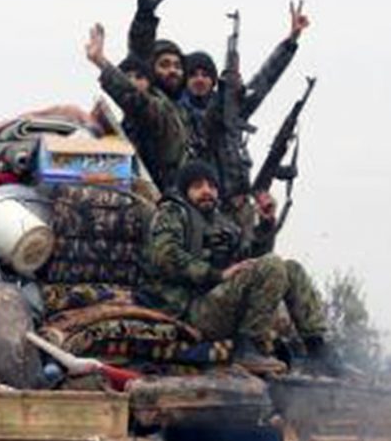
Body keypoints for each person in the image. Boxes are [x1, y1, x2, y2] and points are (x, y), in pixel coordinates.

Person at [141, 159, 330, 372]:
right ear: (185, 191)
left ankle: (318, 349)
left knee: (291, 268)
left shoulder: (222, 223)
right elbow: (166, 256)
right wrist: (217, 275)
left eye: (211, 186)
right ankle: (248, 347)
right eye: (198, 186)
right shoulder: (172, 212)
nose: (207, 191)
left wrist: (265, 225)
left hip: (219, 305)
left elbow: (252, 262)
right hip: (189, 310)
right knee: (273, 265)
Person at [201, 0, 310, 194]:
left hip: (240, 200)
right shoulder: (199, 115)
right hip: (213, 196)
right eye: (194, 75)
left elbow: (266, 79)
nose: (200, 80)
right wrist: (226, 88)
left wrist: (291, 41)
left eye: (205, 75)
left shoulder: (235, 113)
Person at [83, 22, 188, 187]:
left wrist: (101, 62)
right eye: (164, 64)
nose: (173, 71)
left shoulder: (165, 111)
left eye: (139, 77)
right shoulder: (130, 122)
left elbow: (139, 102)